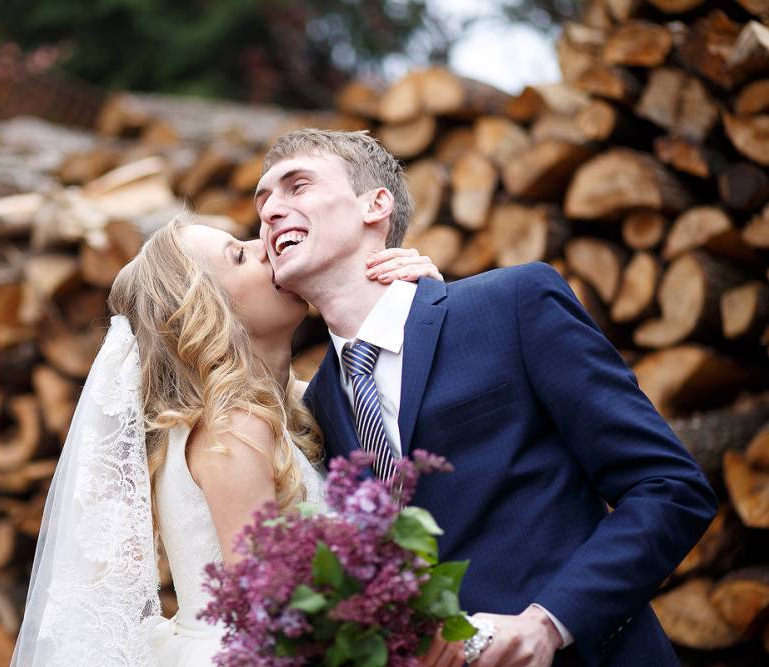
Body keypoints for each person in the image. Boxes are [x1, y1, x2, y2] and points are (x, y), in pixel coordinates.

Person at [255, 128, 719, 667]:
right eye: (262, 203)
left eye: (298, 186)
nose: (270, 211)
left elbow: (669, 487)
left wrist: (549, 623)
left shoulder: (511, 306)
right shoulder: (318, 406)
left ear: (374, 205)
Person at [8, 217, 446, 666]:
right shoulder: (235, 428)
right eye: (238, 255)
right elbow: (268, 612)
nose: (263, 246)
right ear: (207, 312)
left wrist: (415, 304)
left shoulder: (285, 406)